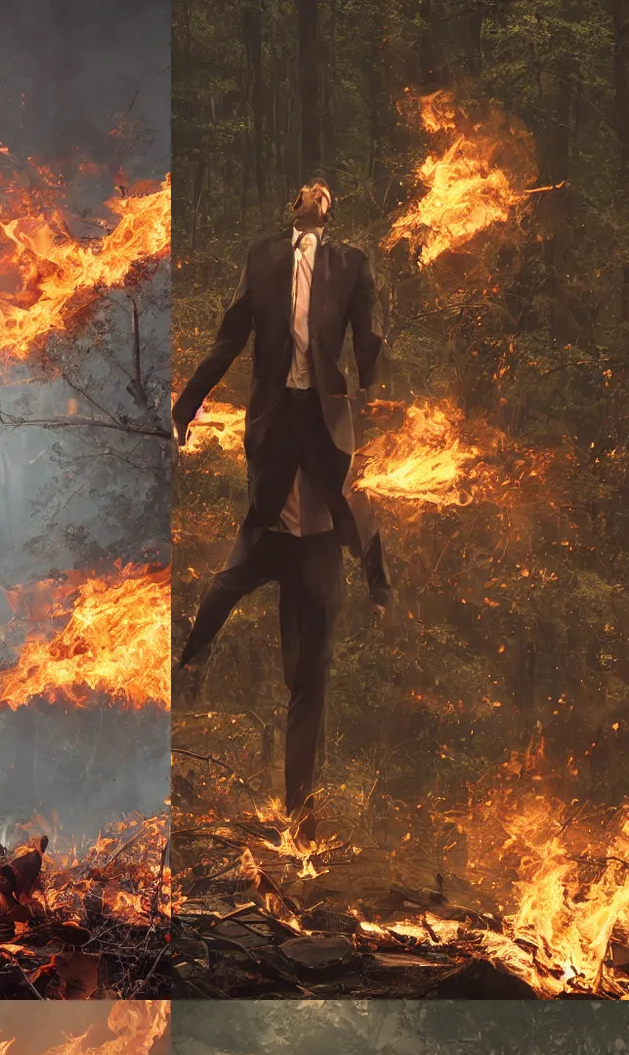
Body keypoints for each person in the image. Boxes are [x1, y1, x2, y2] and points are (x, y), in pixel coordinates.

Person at [171, 178, 391, 835]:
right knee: (234, 573)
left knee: (309, 680)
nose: (317, 190)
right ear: (290, 204)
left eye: (327, 189)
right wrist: (185, 407)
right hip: (276, 425)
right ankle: (191, 664)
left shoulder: (352, 264)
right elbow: (228, 338)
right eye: (305, 187)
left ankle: (300, 817)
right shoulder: (263, 258)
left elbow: (368, 334)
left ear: (332, 209)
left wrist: (375, 384)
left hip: (322, 434)